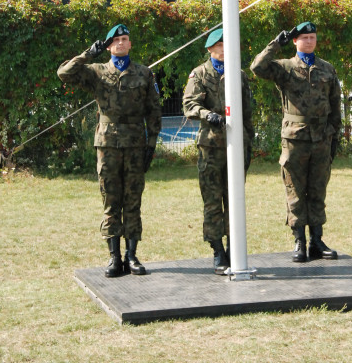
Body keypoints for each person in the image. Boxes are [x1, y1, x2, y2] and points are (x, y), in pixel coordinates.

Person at [57, 23, 161, 277]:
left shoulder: (144, 73)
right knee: (111, 200)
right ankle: (114, 257)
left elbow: (154, 110)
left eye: (125, 39)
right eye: (115, 41)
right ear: (108, 46)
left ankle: (132, 256)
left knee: (133, 200)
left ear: (130, 44)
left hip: (136, 143)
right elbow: (64, 73)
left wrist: (152, 144)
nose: (121, 43)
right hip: (108, 144)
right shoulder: (97, 71)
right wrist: (87, 54)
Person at [250, 21, 341, 262]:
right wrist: (275, 45)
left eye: (313, 37)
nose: (309, 41)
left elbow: (335, 106)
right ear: (295, 41)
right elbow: (257, 67)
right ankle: (299, 240)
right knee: (295, 190)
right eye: (305, 38)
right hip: (295, 139)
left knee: (318, 189)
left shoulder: (327, 69)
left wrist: (334, 136)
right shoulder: (286, 67)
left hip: (321, 137)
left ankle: (317, 241)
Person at [183, 28, 254, 274]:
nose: (225, 49)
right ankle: (217, 250)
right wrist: (207, 114)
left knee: (234, 200)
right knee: (213, 200)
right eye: (220, 45)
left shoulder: (239, 74)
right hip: (211, 147)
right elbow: (189, 104)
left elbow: (247, 112)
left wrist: (249, 142)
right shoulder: (200, 74)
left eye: (228, 44)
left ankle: (235, 248)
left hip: (236, 145)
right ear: (210, 49)